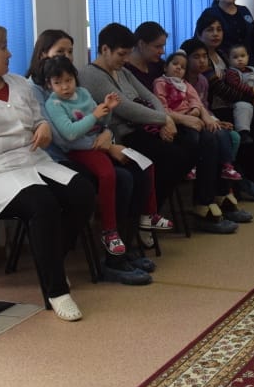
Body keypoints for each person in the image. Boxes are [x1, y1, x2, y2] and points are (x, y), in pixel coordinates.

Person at [0, 24, 96, 322]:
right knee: (42, 203)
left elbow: (40, 120)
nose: (10, 54)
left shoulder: (20, 85)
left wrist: (43, 127)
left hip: (31, 161)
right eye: (3, 48)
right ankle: (56, 291)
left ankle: (53, 259)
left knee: (83, 190)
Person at [80, 23, 241, 233]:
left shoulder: (122, 71)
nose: (125, 59)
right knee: (175, 156)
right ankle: (146, 215)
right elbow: (125, 108)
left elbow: (149, 96)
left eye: (127, 54)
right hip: (122, 135)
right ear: (104, 50)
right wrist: (164, 119)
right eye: (121, 54)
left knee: (193, 146)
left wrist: (164, 119)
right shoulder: (91, 75)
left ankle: (160, 210)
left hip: (145, 127)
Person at [27, 29, 159, 282]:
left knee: (139, 170)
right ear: (43, 54)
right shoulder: (36, 90)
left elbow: (96, 116)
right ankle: (113, 259)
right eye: (60, 51)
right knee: (122, 179)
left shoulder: (70, 82)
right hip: (60, 158)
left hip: (89, 146)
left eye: (70, 51)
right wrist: (107, 145)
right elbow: (61, 137)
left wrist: (108, 133)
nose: (68, 56)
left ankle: (125, 246)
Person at [194, 11, 254, 199]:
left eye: (219, 29)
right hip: (214, 109)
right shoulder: (200, 58)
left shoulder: (222, 55)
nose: (216, 33)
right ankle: (248, 179)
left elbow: (238, 81)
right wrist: (252, 99)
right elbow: (220, 89)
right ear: (199, 34)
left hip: (232, 105)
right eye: (210, 30)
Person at [153, 51, 241, 182]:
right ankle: (190, 166)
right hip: (176, 120)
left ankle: (227, 166)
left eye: (183, 67)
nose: (178, 68)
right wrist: (182, 117)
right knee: (193, 137)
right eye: (175, 64)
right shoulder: (160, 83)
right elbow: (161, 105)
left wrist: (195, 109)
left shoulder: (185, 84)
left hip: (193, 117)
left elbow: (196, 100)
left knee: (218, 132)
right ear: (166, 67)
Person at [124, 21, 169, 93]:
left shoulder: (160, 65)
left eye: (163, 46)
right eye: (157, 47)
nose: (162, 52)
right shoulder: (123, 70)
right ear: (141, 44)